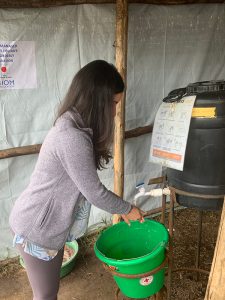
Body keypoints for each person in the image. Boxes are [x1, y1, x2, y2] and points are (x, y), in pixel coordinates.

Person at [9, 60, 144, 300]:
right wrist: (128, 208)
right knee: (45, 294)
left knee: (49, 291)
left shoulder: (74, 124)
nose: (114, 112)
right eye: (113, 103)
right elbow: (94, 192)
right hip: (37, 228)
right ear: (97, 101)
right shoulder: (71, 137)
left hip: (47, 224)